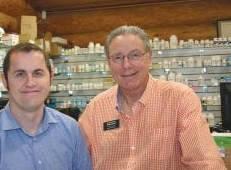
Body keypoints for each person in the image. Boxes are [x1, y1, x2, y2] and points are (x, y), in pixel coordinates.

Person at [78, 25, 226, 169]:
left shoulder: (179, 98)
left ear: (149, 57)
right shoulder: (96, 108)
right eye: (117, 57)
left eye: (135, 55)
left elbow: (204, 161)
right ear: (109, 64)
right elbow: (75, 158)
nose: (126, 65)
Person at [0, 43, 92, 170]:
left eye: (37, 73)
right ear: (5, 81)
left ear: (51, 77)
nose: (30, 82)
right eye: (20, 74)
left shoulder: (71, 131)